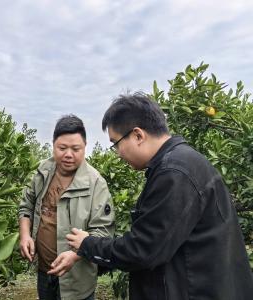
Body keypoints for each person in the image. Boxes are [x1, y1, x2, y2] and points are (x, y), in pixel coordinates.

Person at [51, 93, 253, 299]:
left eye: (116, 143)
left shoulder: (174, 174)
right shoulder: (183, 163)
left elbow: (143, 250)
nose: (118, 153)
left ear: (138, 135)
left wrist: (88, 244)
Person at [18, 114, 115, 300]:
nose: (68, 154)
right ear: (53, 145)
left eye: (75, 149)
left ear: (85, 147)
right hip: (44, 272)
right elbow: (26, 206)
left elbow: (103, 232)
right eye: (62, 148)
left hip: (76, 280)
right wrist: (24, 235)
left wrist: (75, 255)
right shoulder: (43, 172)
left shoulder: (96, 184)